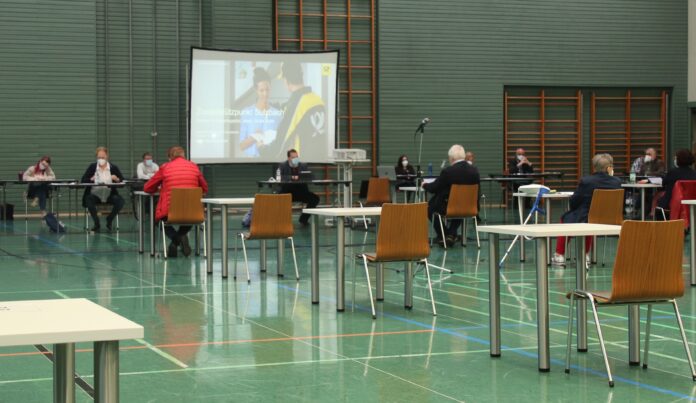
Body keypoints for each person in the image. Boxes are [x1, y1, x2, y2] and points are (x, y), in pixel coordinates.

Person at [552, 153, 622, 266]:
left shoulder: (587, 181)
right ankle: (585, 255)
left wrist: (575, 208)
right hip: (610, 219)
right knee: (589, 219)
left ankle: (559, 255)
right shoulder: (617, 182)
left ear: (594, 167)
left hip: (587, 217)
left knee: (567, 219)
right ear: (610, 168)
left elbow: (575, 200)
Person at [144, 146, 208, 257]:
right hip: (192, 212)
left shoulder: (165, 167)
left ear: (170, 157)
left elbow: (147, 188)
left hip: (169, 211)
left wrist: (160, 188)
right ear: (184, 155)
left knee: (158, 220)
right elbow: (204, 188)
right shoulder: (194, 166)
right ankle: (181, 236)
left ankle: (176, 238)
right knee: (190, 219)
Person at [260, 62, 326, 159]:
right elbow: (292, 108)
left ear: (286, 80)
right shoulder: (316, 99)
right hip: (319, 160)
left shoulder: (297, 104)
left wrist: (262, 148)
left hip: (302, 163)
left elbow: (280, 144)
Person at [422, 145, 480, 246]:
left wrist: (425, 185)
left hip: (450, 207)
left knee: (429, 207)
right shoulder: (474, 171)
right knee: (460, 207)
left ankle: (445, 234)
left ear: (452, 158)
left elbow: (434, 188)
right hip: (470, 207)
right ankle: (451, 235)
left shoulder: (448, 171)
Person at [239, 67, 282, 157]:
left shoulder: (278, 115)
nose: (265, 94)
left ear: (271, 87)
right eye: (261, 90)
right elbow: (241, 146)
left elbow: (281, 143)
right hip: (252, 164)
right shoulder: (247, 113)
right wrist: (254, 137)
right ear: (256, 90)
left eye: (267, 90)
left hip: (271, 162)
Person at [81, 147, 125, 232]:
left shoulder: (113, 167)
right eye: (99, 157)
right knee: (88, 199)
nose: (101, 159)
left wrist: (117, 179)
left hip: (109, 195)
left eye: (103, 157)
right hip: (95, 195)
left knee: (120, 201)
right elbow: (83, 180)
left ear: (107, 156)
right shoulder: (92, 167)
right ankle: (96, 223)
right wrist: (91, 179)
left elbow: (122, 180)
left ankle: (110, 219)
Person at [278, 149, 319, 226]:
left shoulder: (303, 165)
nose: (295, 159)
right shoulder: (282, 165)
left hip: (301, 192)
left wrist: (304, 177)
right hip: (287, 192)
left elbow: (311, 176)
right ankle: (283, 221)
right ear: (289, 158)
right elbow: (280, 178)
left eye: (297, 157)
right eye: (293, 157)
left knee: (315, 199)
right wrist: (292, 177)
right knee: (278, 198)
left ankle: (303, 219)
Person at [656, 149, 696, 213]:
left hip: (671, 204)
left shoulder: (672, 172)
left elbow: (663, 183)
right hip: (690, 206)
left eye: (675, 158)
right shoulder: (694, 174)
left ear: (678, 160)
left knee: (657, 197)